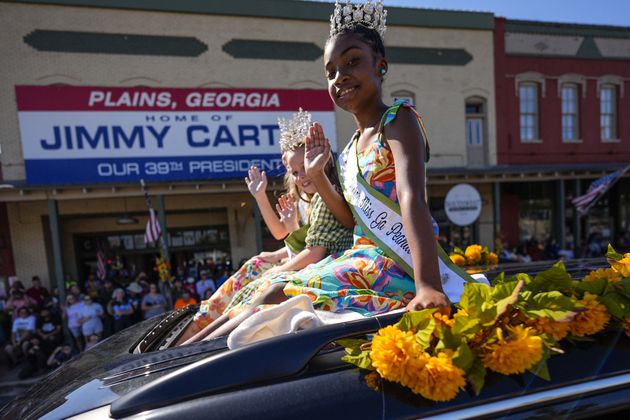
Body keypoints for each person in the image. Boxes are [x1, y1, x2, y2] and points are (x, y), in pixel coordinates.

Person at [179, 108, 353, 343]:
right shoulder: (311, 197)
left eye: (306, 166)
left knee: (261, 280)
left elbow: (312, 248)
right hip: (310, 259)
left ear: (322, 158)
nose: (302, 176)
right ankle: (198, 331)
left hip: (321, 263)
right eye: (296, 171)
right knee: (257, 266)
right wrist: (261, 198)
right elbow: (292, 238)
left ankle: (198, 338)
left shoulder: (325, 194)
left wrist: (278, 267)